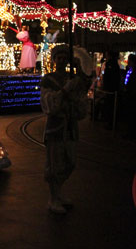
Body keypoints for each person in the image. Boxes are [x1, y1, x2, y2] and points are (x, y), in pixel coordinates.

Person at [40, 45, 90, 214]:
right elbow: (49, 105)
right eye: (58, 58)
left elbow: (81, 101)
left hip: (70, 127)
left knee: (70, 162)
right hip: (55, 127)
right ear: (54, 60)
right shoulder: (48, 79)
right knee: (55, 164)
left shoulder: (73, 78)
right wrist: (64, 91)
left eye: (64, 58)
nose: (61, 61)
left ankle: (59, 192)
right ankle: (53, 198)